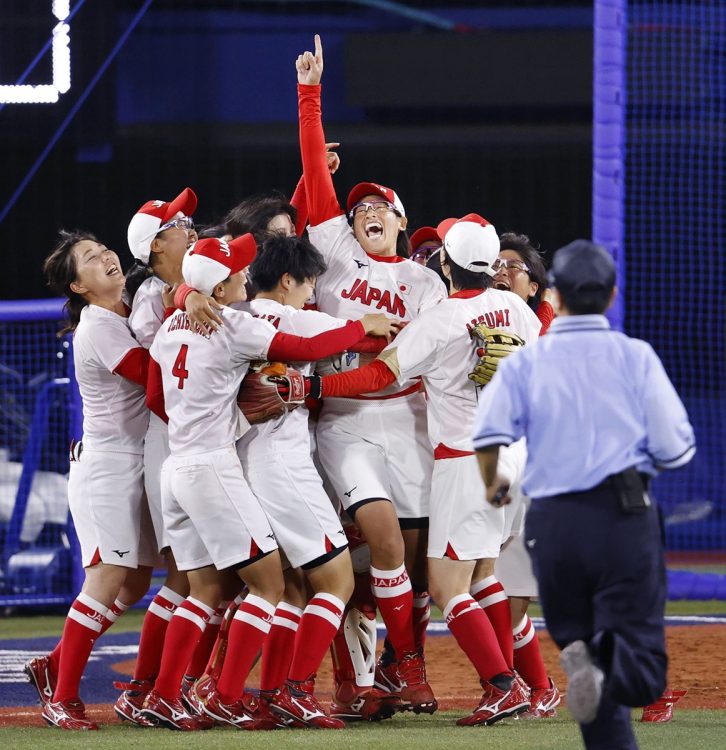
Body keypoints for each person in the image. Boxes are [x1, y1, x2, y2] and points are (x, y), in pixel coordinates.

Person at [145, 234, 398, 731]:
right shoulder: (241, 323)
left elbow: (156, 394)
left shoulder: (175, 322)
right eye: (309, 282)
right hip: (257, 466)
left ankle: (162, 693)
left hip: (188, 463)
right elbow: (308, 343)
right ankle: (268, 692)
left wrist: (188, 296)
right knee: (324, 582)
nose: (243, 274)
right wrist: (364, 324)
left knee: (227, 590)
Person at [304, 213, 541, 726]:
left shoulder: (441, 321)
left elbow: (375, 374)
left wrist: (315, 388)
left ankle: (501, 685)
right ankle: (514, 681)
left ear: (446, 265)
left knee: (445, 586)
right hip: (513, 458)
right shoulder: (518, 309)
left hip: (465, 459)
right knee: (482, 574)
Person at [472, 240, 696, 749]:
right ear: (613, 295)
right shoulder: (634, 356)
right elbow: (676, 449)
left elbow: (488, 436)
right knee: (641, 670)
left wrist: (493, 482)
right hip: (621, 515)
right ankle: (614, 670)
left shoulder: (527, 361)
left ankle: (589, 663)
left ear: (556, 293)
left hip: (552, 526)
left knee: (585, 648)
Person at [296, 34, 447, 714]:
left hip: (406, 417)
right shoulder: (333, 257)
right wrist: (310, 95)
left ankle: (389, 664)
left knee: (410, 570)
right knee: (380, 540)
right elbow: (315, 174)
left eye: (381, 207)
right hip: (347, 423)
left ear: (403, 223)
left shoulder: (424, 282)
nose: (367, 212)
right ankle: (409, 671)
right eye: (359, 209)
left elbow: (406, 361)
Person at [235, 234, 398, 725]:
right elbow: (377, 338)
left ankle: (264, 694)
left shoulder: (233, 318)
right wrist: (371, 325)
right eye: (308, 283)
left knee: (290, 587)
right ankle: (296, 690)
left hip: (238, 461)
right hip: (283, 466)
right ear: (288, 280)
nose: (312, 292)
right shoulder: (299, 319)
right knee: (337, 581)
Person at [27, 231, 167, 730]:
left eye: (103, 248)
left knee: (135, 582)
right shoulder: (99, 324)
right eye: (89, 258)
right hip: (107, 465)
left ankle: (54, 665)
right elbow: (150, 372)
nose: (105, 256)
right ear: (78, 286)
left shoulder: (131, 303)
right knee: (107, 578)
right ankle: (61, 698)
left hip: (138, 458)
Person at [112, 188, 204, 726]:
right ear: (154, 245)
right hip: (174, 445)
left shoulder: (189, 287)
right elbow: (161, 387)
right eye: (177, 223)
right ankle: (149, 690)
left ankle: (169, 687)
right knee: (189, 578)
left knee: (202, 578)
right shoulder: (153, 296)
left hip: (193, 445)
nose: (190, 227)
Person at [486, 231, 561, 717]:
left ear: (533, 286)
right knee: (491, 588)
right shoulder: (478, 321)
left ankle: (530, 685)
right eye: (495, 263)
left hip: (536, 474)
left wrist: (550, 316)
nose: (502, 270)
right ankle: (533, 686)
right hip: (491, 470)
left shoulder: (548, 331)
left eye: (513, 266)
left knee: (513, 596)